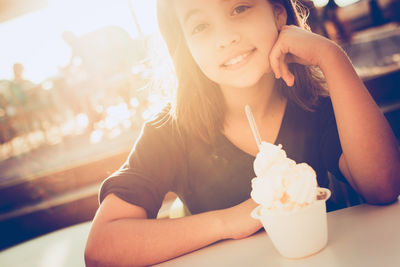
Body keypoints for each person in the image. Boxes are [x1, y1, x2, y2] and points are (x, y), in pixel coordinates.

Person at [85, 0, 400, 266]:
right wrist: (229, 221)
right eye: (200, 27)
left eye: (239, 8)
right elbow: (102, 247)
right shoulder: (169, 131)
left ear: (278, 14)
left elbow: (384, 186)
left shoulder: (315, 108)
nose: (225, 37)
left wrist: (332, 59)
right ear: (185, 48)